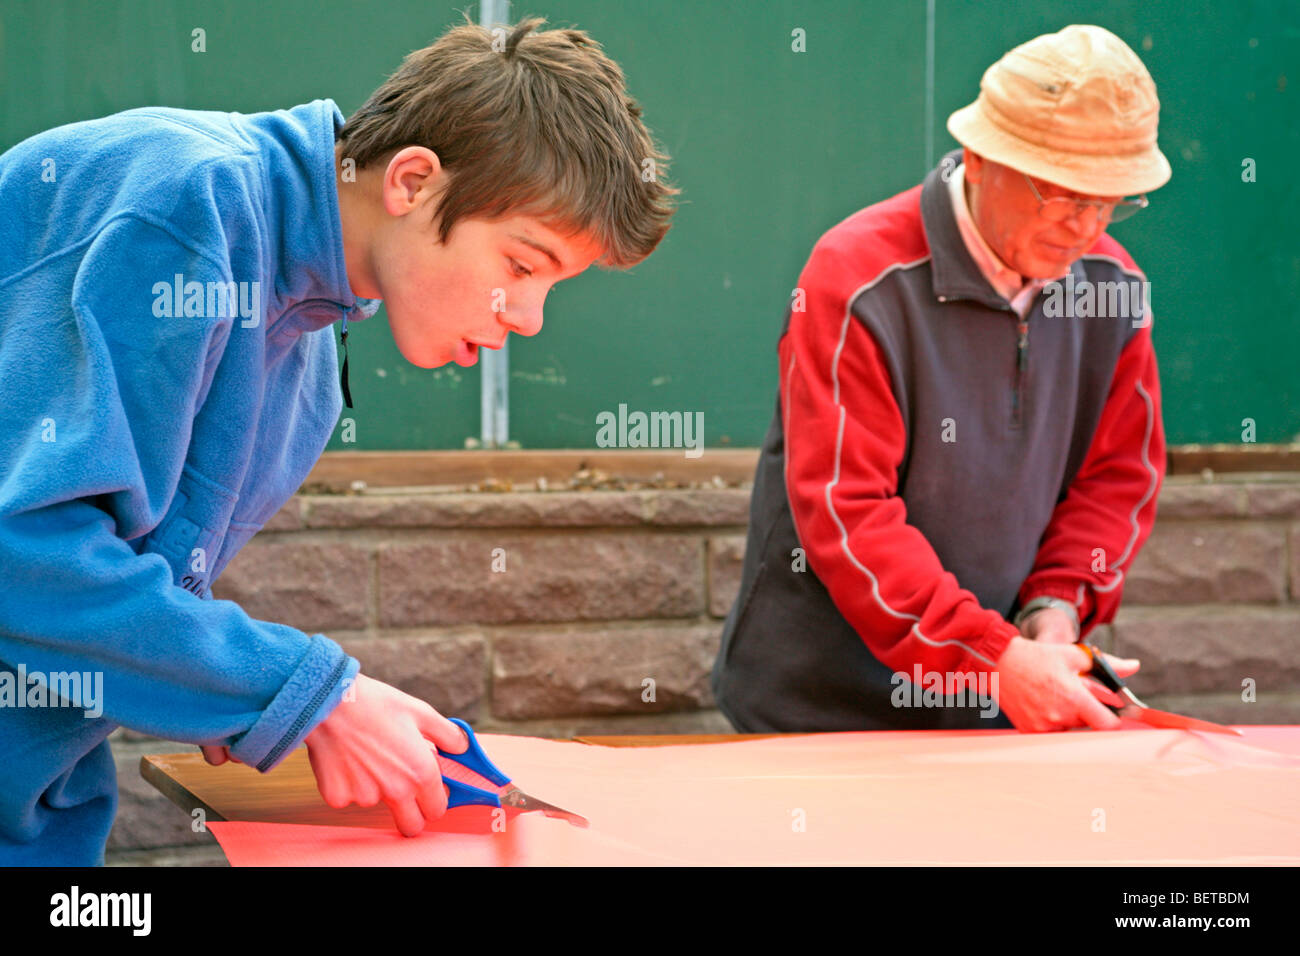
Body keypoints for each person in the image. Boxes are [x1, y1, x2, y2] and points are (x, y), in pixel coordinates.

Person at [0, 16, 675, 865]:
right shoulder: (186, 209)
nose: (529, 319)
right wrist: (311, 694)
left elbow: (119, 585)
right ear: (415, 181)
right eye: (523, 265)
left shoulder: (309, 370)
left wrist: (247, 694)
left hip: (43, 807)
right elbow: (19, 559)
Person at [712, 24, 1167, 734]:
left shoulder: (1115, 287)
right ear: (981, 159)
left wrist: (1055, 609)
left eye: (1110, 200)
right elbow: (849, 511)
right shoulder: (857, 278)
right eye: (1059, 192)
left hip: (999, 705)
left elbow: (1116, 479)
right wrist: (990, 658)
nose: (1085, 227)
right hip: (819, 710)